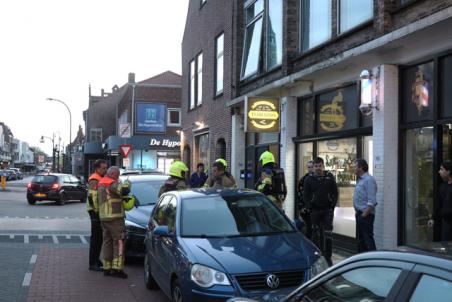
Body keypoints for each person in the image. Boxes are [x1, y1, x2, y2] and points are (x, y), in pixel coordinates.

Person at [98, 166, 135, 278]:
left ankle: (107, 267)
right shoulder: (112, 183)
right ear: (113, 174)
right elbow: (124, 191)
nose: (118, 177)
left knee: (107, 242)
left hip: (104, 217)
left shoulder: (101, 182)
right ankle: (117, 269)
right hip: (115, 217)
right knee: (119, 242)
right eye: (118, 175)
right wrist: (128, 183)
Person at [303, 157, 338, 266]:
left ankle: (328, 256)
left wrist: (332, 205)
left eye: (320, 165)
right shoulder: (309, 179)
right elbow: (305, 195)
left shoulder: (329, 177)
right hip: (315, 210)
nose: (318, 168)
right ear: (314, 167)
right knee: (315, 233)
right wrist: (309, 206)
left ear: (323, 165)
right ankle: (317, 255)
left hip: (327, 209)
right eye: (316, 166)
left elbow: (335, 192)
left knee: (328, 233)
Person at [86, 159, 108, 272]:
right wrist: (96, 212)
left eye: (106, 168)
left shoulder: (99, 178)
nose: (105, 170)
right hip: (95, 212)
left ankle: (96, 260)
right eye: (103, 168)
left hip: (97, 211)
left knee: (98, 238)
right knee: (96, 238)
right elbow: (92, 197)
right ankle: (93, 263)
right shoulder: (95, 179)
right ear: (97, 168)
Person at [353, 158, 377, 252]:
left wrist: (363, 216)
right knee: (361, 241)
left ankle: (373, 262)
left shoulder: (369, 180)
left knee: (368, 241)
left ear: (361, 168)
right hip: (360, 214)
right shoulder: (360, 180)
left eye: (355, 166)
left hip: (366, 215)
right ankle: (362, 262)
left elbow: (372, 202)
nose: (353, 168)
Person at [297, 160, 314, 239]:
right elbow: (300, 195)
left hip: (316, 209)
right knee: (309, 228)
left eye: (312, 167)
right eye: (309, 167)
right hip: (306, 209)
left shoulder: (319, 179)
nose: (310, 169)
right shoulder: (303, 179)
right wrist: (301, 208)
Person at [437, 160, 452, 241]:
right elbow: (439, 204)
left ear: (448, 171)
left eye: (442, 169)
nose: (439, 172)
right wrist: (433, 217)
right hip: (446, 223)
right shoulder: (442, 187)